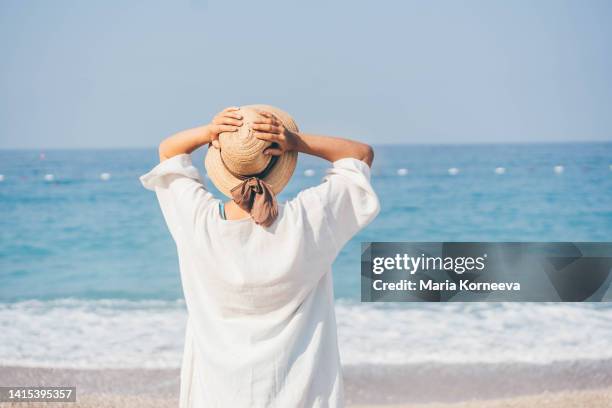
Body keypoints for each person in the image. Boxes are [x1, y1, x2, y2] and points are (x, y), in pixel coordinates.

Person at [140, 104, 380, 407]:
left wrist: (210, 132)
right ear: (283, 161)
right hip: (299, 393)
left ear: (221, 163)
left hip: (217, 394)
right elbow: (360, 155)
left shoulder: (196, 221)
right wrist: (295, 141)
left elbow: (168, 153)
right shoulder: (308, 220)